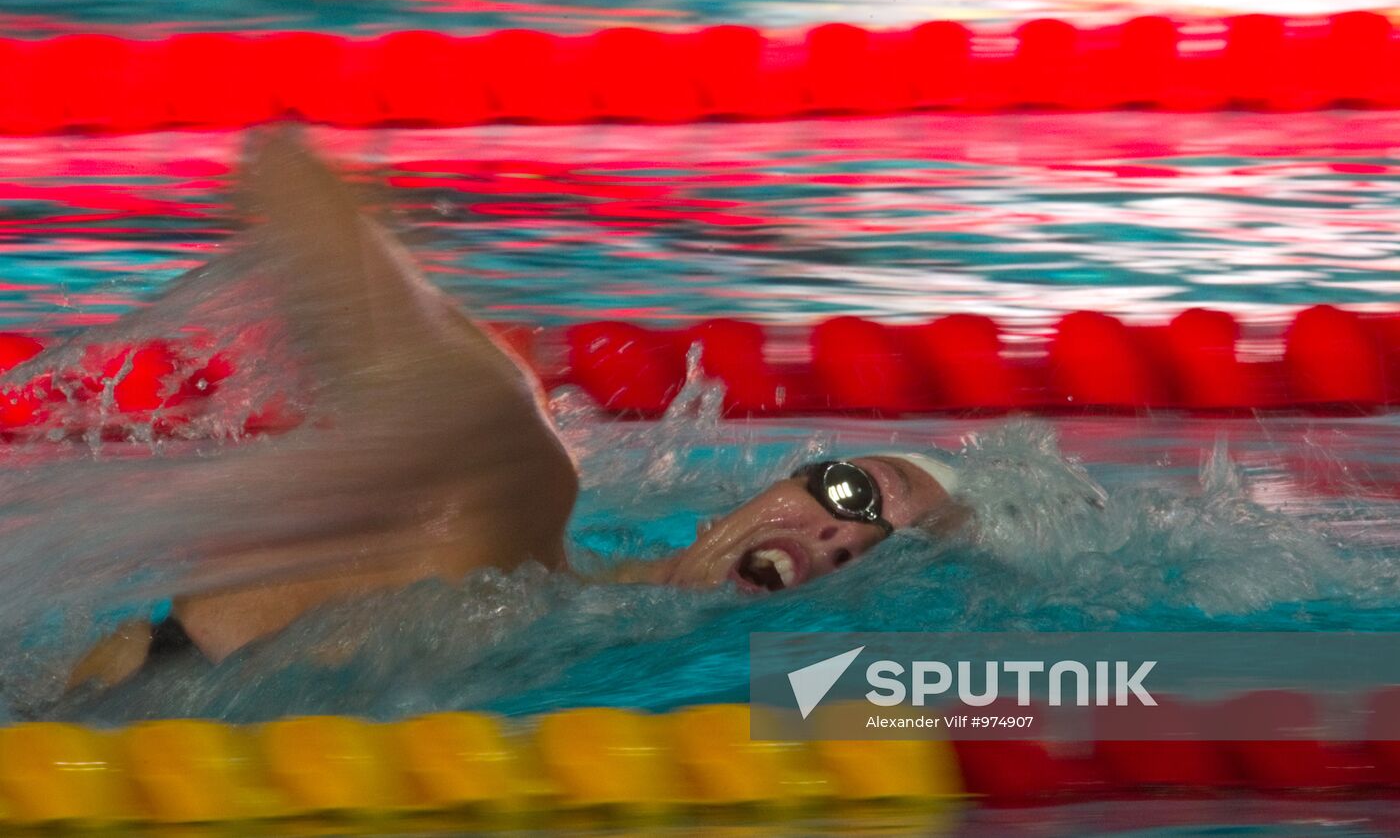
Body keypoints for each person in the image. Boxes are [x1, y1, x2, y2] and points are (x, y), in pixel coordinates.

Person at [67, 133, 962, 690]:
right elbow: (290, 175)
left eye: (885, 552)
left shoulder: (636, 667)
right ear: (747, 502)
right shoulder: (507, 501)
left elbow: (1070, 689)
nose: (850, 541)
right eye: (853, 494)